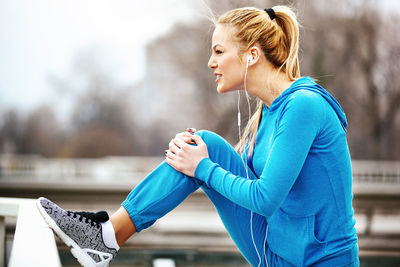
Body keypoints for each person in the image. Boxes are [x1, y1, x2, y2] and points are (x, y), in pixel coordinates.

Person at [36, 5, 359, 267]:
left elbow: (265, 198)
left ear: (252, 55)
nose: (211, 62)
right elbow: (237, 184)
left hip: (320, 261)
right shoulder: (268, 111)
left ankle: (104, 238)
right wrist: (197, 161)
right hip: (275, 252)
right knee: (202, 144)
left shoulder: (304, 105)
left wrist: (201, 166)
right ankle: (107, 236)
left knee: (203, 155)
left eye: (219, 51)